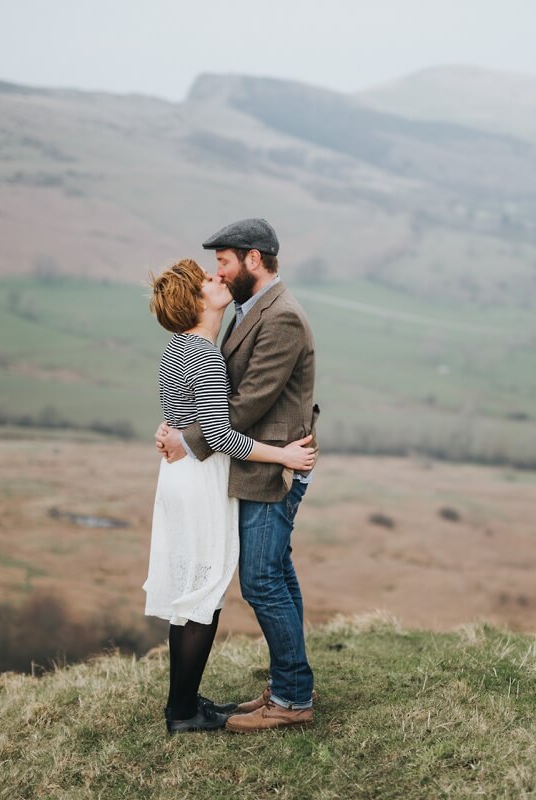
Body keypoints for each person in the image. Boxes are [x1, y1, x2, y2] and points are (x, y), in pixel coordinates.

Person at [156, 218, 320, 733]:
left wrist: (184, 437)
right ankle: (286, 690)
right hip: (235, 468)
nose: (219, 274)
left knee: (262, 580)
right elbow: (217, 414)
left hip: (262, 472)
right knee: (258, 580)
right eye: (213, 270)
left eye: (223, 261)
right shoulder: (229, 322)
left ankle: (290, 697)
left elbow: (241, 409)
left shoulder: (280, 317)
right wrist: (184, 431)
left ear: (254, 259)